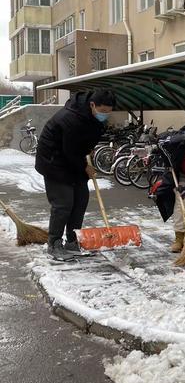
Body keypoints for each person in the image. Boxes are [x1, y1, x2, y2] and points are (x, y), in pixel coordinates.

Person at [35, 89, 115, 260]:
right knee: (63, 204)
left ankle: (73, 241)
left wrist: (89, 148)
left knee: (80, 200)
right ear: (92, 105)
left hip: (73, 159)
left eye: (109, 112)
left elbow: (85, 140)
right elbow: (69, 150)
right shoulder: (70, 118)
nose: (105, 115)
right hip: (54, 162)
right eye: (102, 111)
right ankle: (54, 243)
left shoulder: (91, 117)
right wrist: (85, 167)